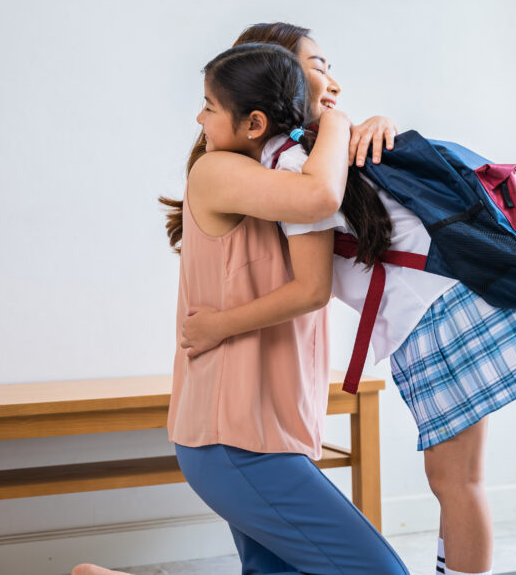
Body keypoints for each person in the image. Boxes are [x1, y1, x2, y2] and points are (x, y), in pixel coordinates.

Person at [182, 23, 516, 575]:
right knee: (456, 480)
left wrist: (354, 123)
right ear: (276, 81)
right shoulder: (296, 159)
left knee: (456, 481)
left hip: (438, 310)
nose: (332, 82)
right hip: (434, 312)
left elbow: (320, 240)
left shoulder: (314, 153)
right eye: (317, 67)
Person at [73, 44, 408, 575]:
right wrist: (341, 120)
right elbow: (319, 202)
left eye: (207, 104)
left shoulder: (284, 169)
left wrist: (374, 124)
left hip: (264, 433)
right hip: (235, 438)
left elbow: (322, 245)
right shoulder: (218, 172)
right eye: (318, 66)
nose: (198, 117)